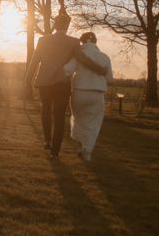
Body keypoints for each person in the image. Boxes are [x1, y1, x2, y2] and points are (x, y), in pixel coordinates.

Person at [25, 9, 107, 160]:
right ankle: (55, 152)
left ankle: (47, 140)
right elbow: (83, 60)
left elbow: (34, 61)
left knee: (45, 110)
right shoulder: (73, 42)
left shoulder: (43, 40)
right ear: (67, 26)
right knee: (59, 115)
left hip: (44, 82)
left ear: (55, 25)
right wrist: (100, 69)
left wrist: (27, 80)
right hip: (62, 84)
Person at [63, 32, 113, 161]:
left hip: (79, 92)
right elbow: (109, 77)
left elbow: (67, 70)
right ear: (95, 42)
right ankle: (87, 150)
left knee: (78, 119)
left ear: (82, 42)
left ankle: (81, 145)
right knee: (93, 123)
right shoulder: (105, 57)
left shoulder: (79, 56)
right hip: (97, 93)